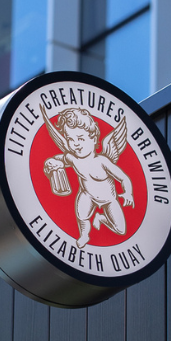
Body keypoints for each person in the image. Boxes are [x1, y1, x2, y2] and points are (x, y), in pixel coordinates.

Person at [42, 106, 133, 248]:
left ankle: (101, 218)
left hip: (109, 199)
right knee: (82, 215)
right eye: (71, 139)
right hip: (87, 194)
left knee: (121, 230)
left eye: (80, 138)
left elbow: (123, 178)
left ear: (93, 137)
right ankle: (84, 235)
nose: (76, 144)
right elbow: (60, 158)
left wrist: (128, 193)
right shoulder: (73, 159)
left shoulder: (102, 161)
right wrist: (52, 162)